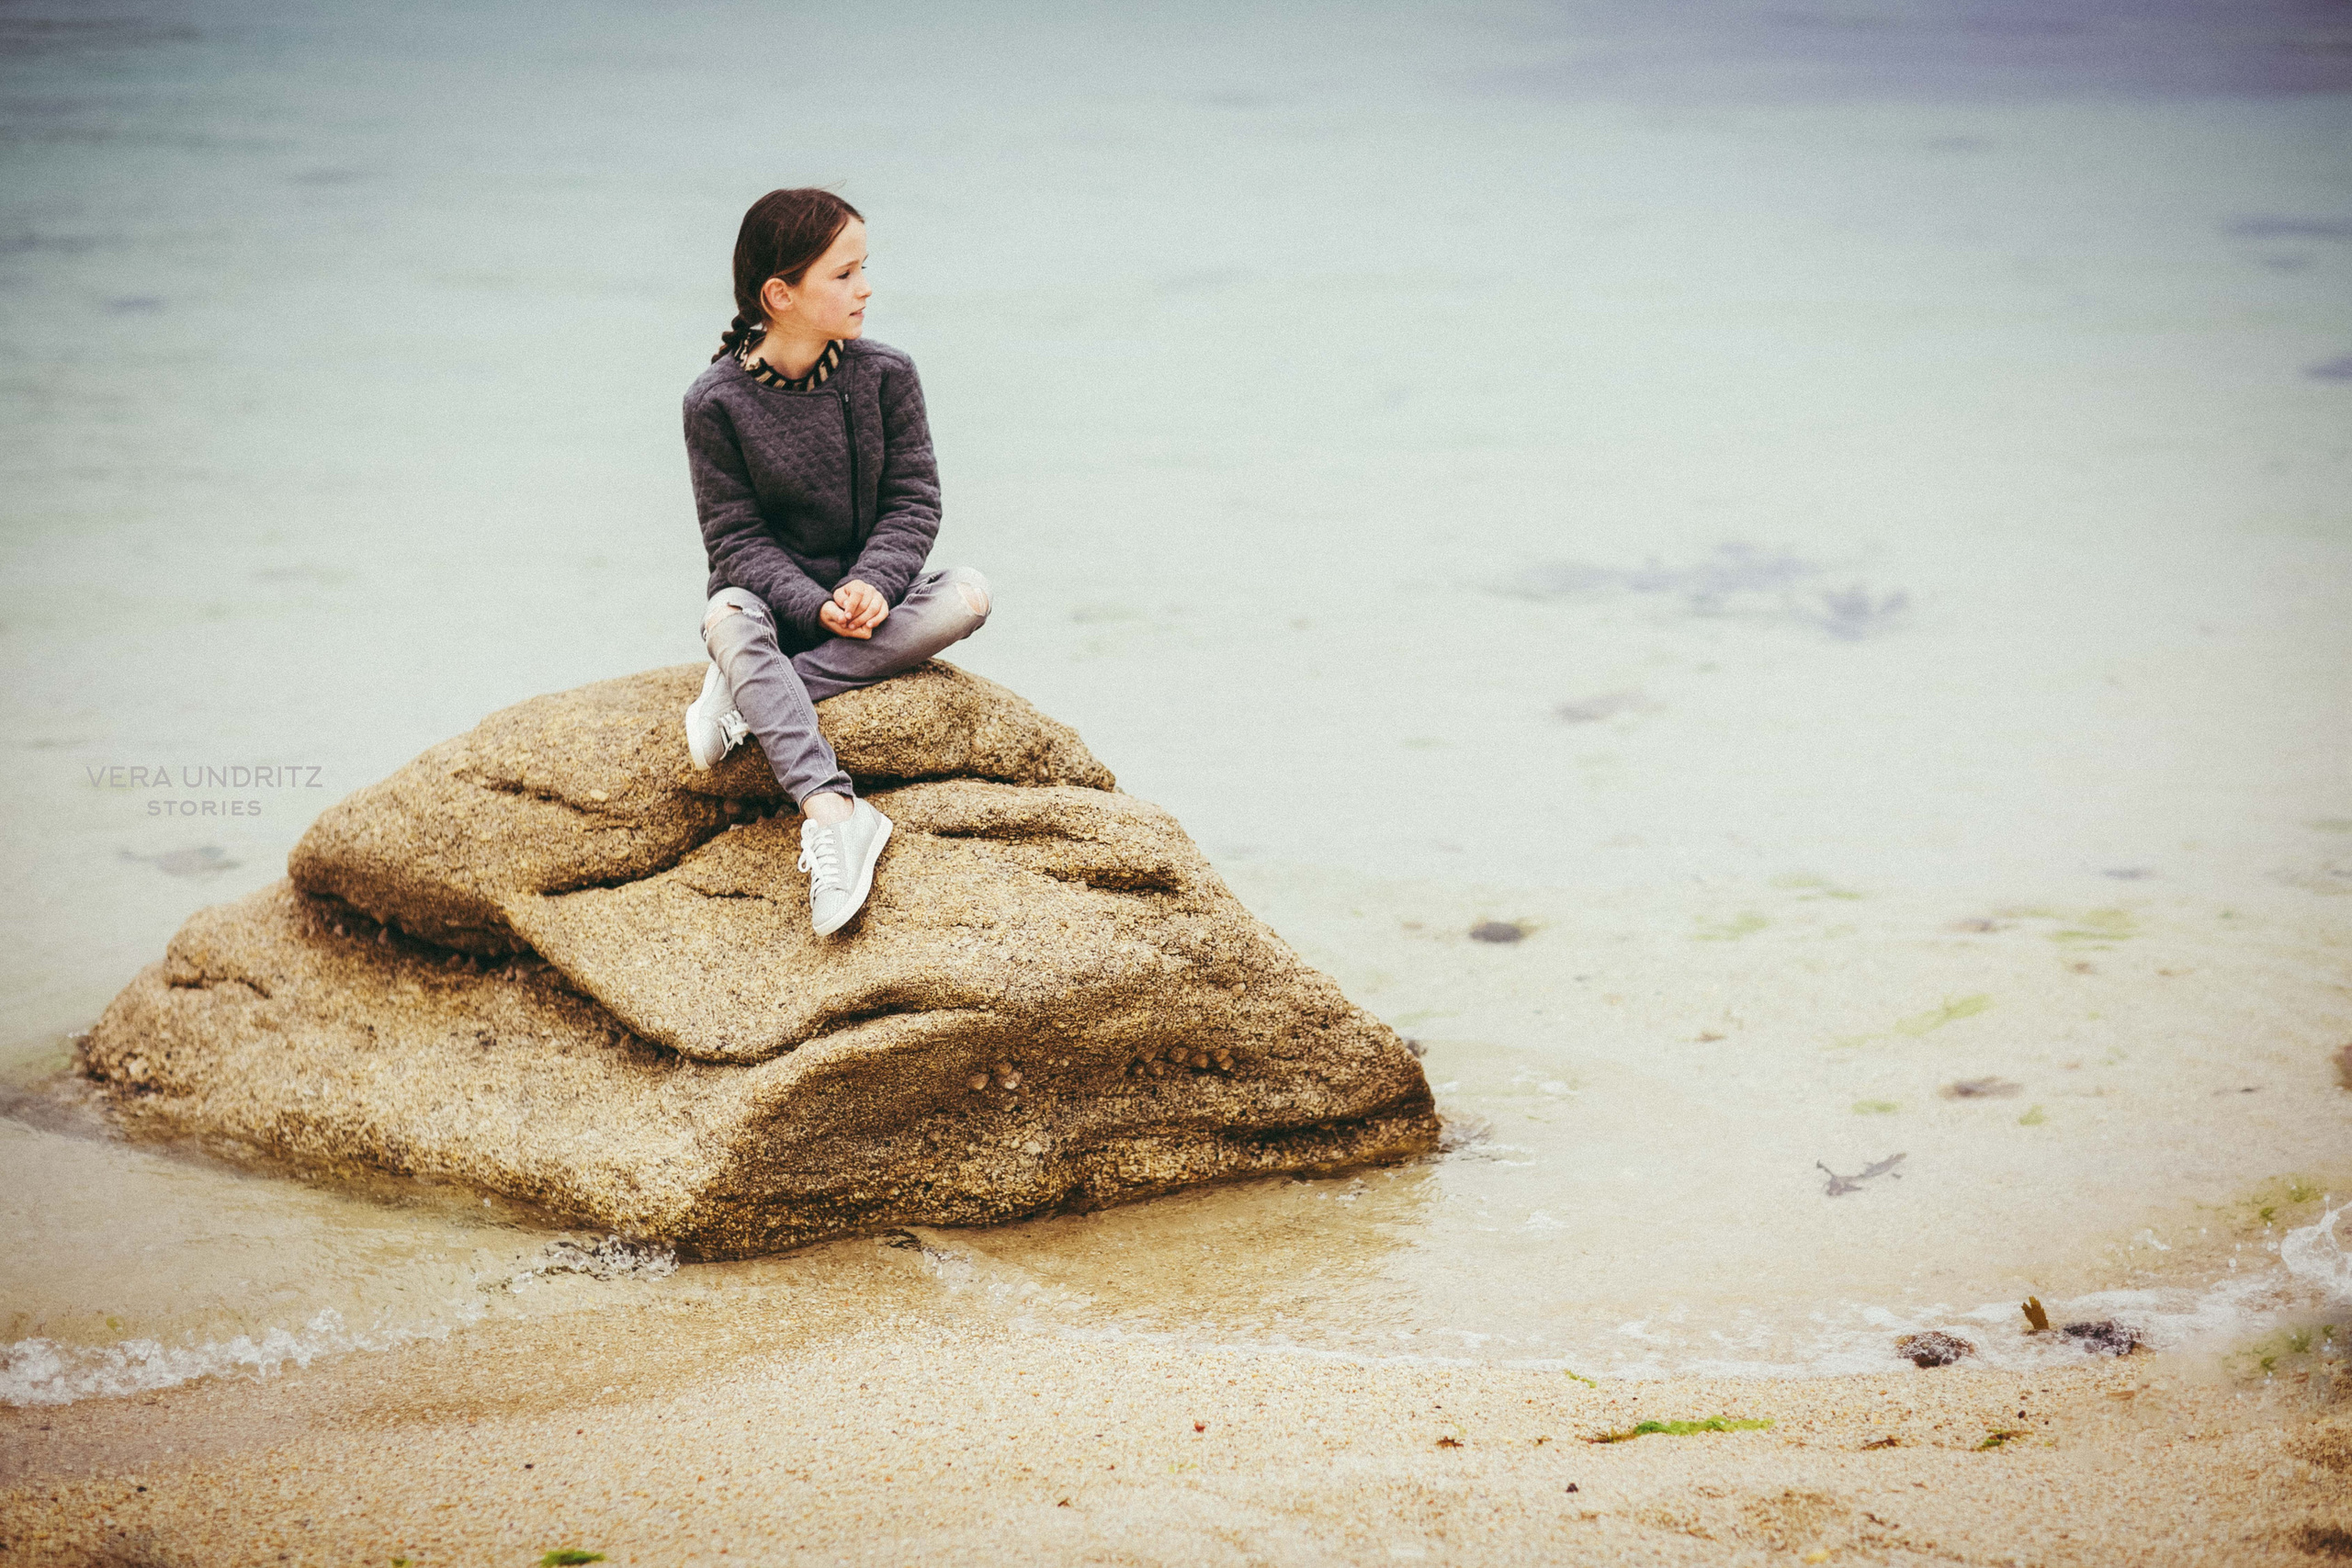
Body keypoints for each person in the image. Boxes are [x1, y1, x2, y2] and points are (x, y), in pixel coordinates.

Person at [680, 188, 990, 936]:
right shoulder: (714, 403)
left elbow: (913, 501)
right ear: (779, 295)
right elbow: (735, 541)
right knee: (725, 615)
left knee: (970, 593)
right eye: (844, 274)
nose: (866, 288)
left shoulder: (886, 374)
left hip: (866, 608)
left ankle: (754, 696)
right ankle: (835, 814)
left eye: (864, 268)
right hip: (773, 607)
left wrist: (872, 584)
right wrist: (811, 604)